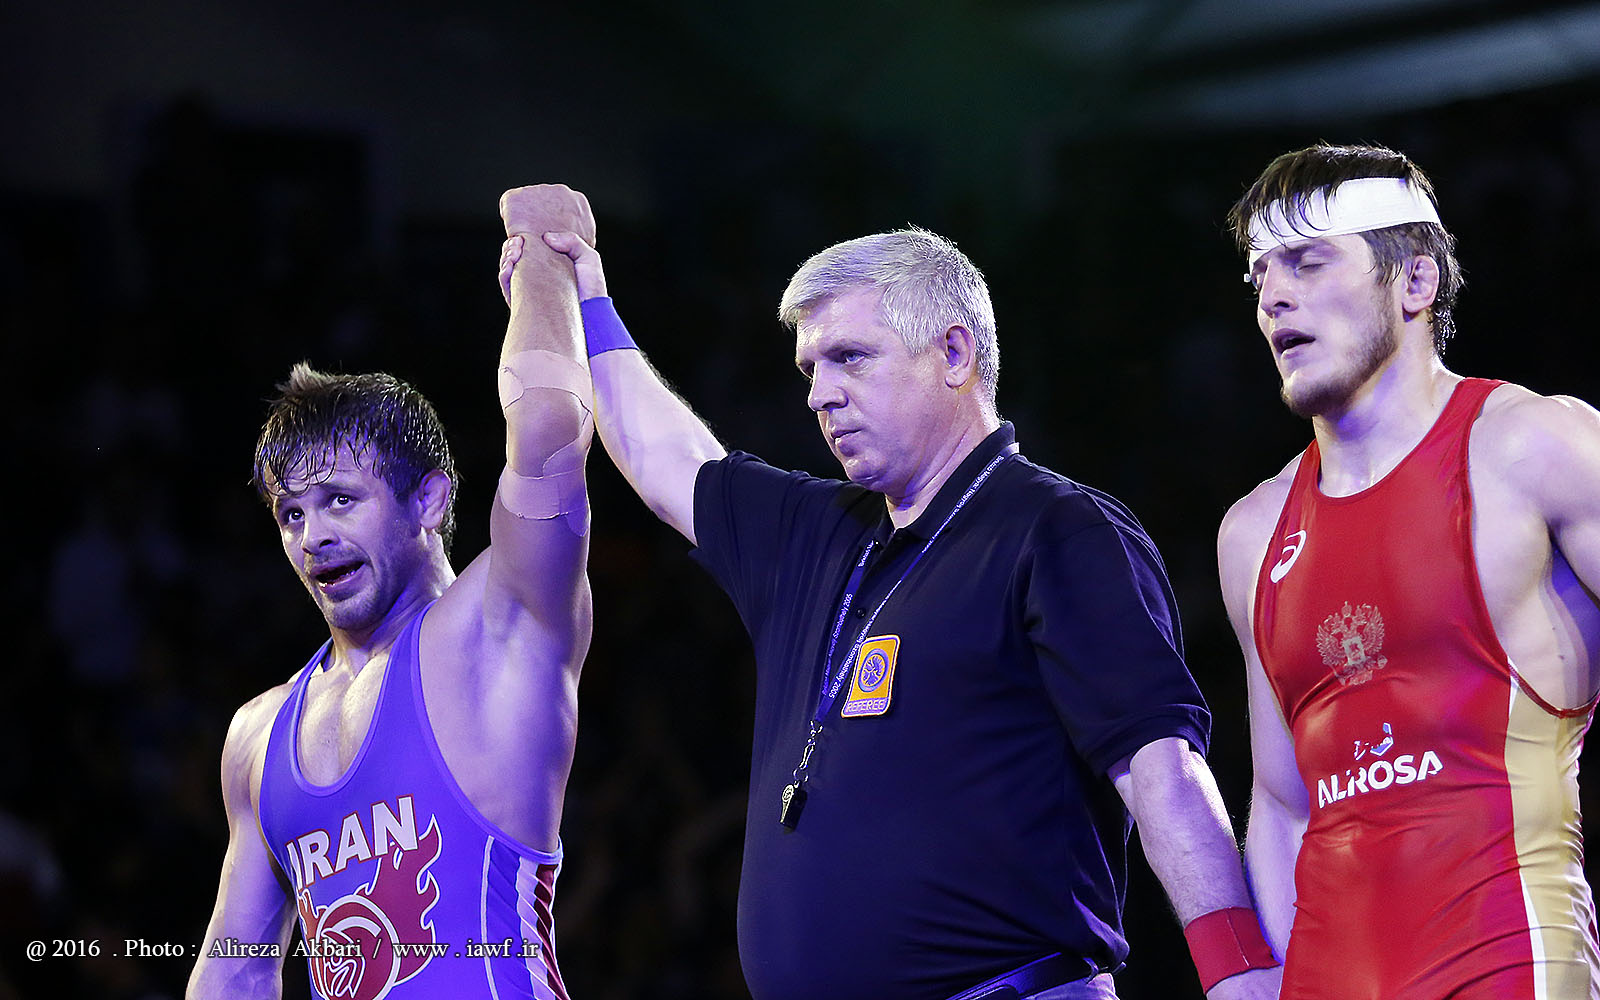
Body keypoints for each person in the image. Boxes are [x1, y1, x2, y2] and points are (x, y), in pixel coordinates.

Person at [510, 216, 1279, 999]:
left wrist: (1237, 969)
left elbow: (1160, 769)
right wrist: (586, 291)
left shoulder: (1056, 530)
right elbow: (664, 454)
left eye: (850, 357)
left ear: (954, 354)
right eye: (810, 368)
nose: (820, 394)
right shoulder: (816, 534)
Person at [188, 185, 597, 1000]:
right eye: (291, 513)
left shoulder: (498, 629)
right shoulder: (257, 738)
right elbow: (233, 972)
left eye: (340, 500)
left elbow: (549, 431)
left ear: (430, 500)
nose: (312, 536)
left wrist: (544, 258)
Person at [1218, 142, 1600, 998]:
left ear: (1415, 282)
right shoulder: (1253, 532)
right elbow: (1281, 805)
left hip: (1509, 960)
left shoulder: (1536, 447)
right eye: (1261, 274)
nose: (1273, 296)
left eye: (1308, 262)